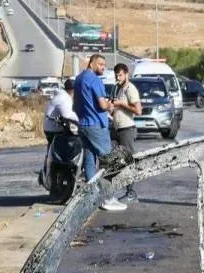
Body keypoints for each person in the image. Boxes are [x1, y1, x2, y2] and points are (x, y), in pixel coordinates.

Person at [73, 54, 123, 211]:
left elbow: (75, 105)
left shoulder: (78, 79)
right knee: (109, 161)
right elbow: (102, 104)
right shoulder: (95, 80)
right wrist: (110, 106)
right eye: (100, 64)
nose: (103, 67)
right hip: (96, 125)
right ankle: (107, 198)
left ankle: (92, 197)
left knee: (89, 161)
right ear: (91, 63)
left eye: (104, 65)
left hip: (83, 125)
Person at [109, 62, 143, 203]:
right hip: (116, 128)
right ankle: (112, 191)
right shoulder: (118, 88)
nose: (118, 78)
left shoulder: (130, 89)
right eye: (116, 75)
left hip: (127, 129)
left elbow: (138, 110)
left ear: (126, 74)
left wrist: (122, 104)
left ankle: (131, 193)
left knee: (128, 161)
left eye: (120, 75)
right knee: (114, 160)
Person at [42, 78, 77, 143]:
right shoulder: (65, 98)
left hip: (48, 127)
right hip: (54, 129)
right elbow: (67, 115)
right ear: (73, 90)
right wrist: (80, 119)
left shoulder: (61, 95)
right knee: (74, 139)